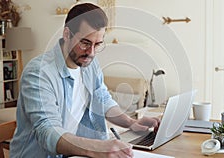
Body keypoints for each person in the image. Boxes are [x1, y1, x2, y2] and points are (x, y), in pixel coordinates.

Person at [10, 3, 160, 158]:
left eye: (98, 44)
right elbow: (48, 131)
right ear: (67, 34)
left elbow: (103, 101)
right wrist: (99, 148)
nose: (91, 52)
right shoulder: (39, 73)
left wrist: (131, 123)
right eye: (85, 43)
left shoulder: (89, 64)